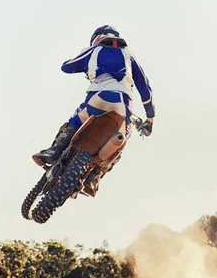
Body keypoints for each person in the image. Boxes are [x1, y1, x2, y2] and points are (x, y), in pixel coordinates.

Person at [32, 25, 155, 186]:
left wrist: (85, 66)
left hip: (98, 98)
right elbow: (145, 89)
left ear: (97, 38)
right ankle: (95, 176)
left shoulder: (93, 51)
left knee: (75, 121)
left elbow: (66, 67)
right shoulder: (129, 56)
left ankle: (54, 150)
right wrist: (150, 119)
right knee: (123, 139)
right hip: (123, 104)